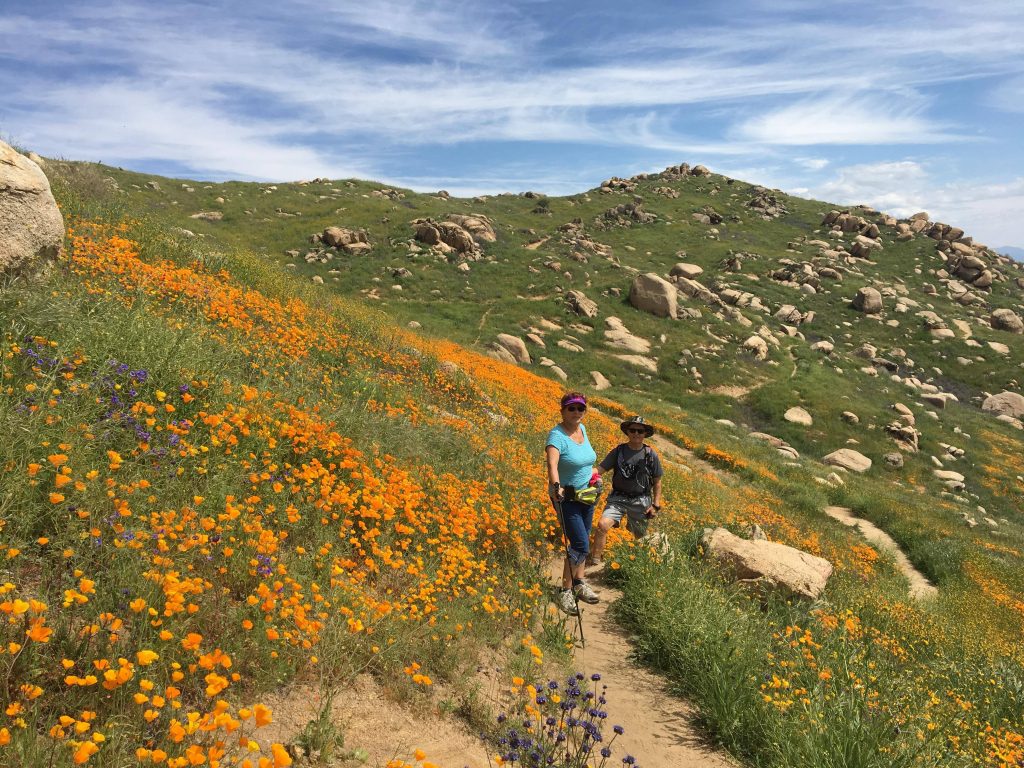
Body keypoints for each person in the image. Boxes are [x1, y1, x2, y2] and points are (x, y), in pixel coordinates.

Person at [545, 391, 602, 616]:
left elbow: (586, 461)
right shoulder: (556, 436)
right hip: (566, 497)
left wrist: (594, 476)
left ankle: (579, 582)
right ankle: (565, 590)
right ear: (563, 410)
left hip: (587, 495)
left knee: (584, 537)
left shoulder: (582, 429)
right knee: (579, 544)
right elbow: (552, 464)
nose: (577, 412)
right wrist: (556, 485)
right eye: (572, 408)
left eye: (580, 408)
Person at [589, 416, 664, 567]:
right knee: (602, 525)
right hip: (618, 498)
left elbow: (657, 481)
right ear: (627, 432)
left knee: (640, 536)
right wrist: (581, 475)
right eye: (633, 430)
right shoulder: (619, 451)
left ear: (644, 434)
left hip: (641, 501)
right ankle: (594, 563)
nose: (636, 433)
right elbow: (601, 469)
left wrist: (655, 505)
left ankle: (638, 566)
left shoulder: (650, 454)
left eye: (640, 431)